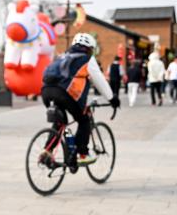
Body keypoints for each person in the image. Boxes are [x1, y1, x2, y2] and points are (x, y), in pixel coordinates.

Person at [41, 33, 119, 170]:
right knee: (84, 120)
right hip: (64, 93)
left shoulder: (62, 56)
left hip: (46, 91)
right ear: (89, 48)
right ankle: (82, 154)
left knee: (60, 122)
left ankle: (47, 151)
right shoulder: (87, 59)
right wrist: (112, 98)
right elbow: (99, 80)